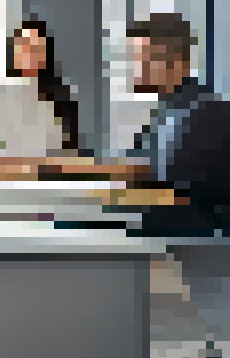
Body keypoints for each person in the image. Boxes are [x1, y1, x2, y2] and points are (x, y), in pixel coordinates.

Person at [68, 14, 230, 222]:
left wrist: (96, 199)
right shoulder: (168, 109)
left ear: (177, 63)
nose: (136, 68)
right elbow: (137, 166)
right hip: (157, 219)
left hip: (189, 232)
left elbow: (181, 195)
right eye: (135, 59)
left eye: (145, 59)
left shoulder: (206, 114)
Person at [0, 18, 86, 176]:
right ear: (13, 50)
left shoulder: (61, 98)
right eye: (23, 46)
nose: (28, 54)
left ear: (45, 54)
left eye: (35, 48)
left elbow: (70, 154)